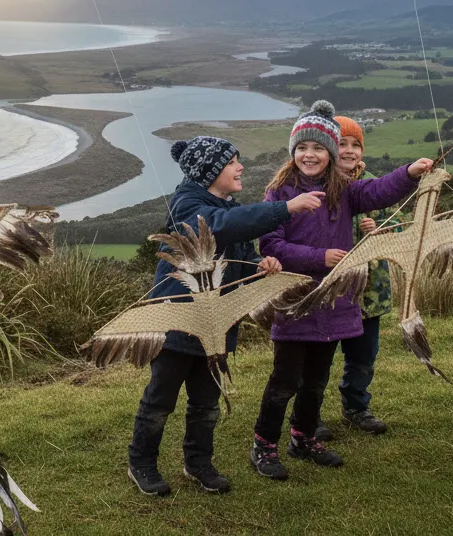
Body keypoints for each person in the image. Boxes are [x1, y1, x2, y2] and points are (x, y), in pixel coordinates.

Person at [126, 135, 323, 497]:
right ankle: (141, 462)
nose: (240, 167)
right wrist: (285, 209)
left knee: (206, 401)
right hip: (179, 322)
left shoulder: (229, 205)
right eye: (232, 161)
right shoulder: (187, 204)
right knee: (160, 399)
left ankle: (198, 462)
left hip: (217, 325)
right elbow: (218, 226)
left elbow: (238, 250)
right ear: (210, 170)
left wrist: (259, 264)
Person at [250, 102, 434, 479]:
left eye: (318, 148)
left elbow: (379, 190)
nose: (309, 155)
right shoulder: (279, 191)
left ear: (331, 154)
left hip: (335, 300)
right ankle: (263, 446)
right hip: (297, 299)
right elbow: (270, 245)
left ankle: (303, 439)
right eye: (302, 148)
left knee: (317, 378)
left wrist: (411, 173)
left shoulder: (345, 190)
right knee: (285, 380)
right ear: (293, 152)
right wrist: (320, 257)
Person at [314, 115, 396, 440]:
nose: (349, 151)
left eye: (355, 145)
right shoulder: (317, 188)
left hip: (370, 293)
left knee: (363, 356)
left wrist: (381, 230)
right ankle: (310, 413)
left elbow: (400, 227)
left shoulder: (376, 184)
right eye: (341, 144)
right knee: (320, 355)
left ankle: (356, 408)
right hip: (330, 292)